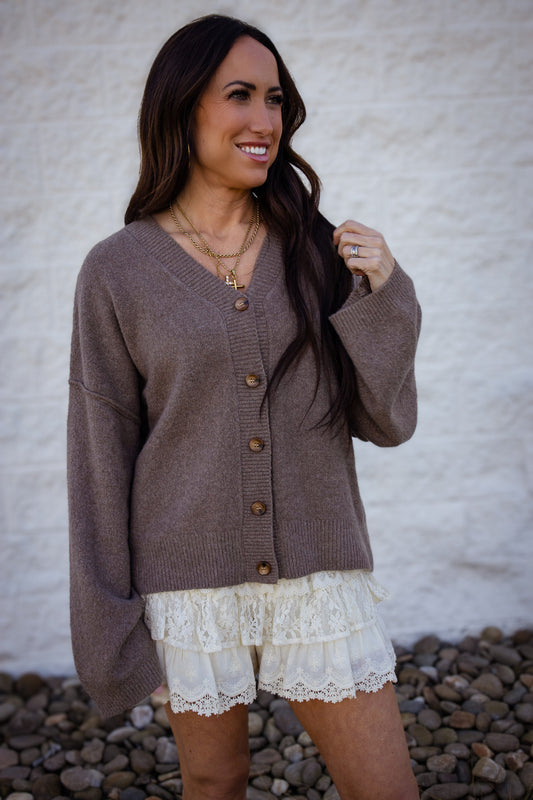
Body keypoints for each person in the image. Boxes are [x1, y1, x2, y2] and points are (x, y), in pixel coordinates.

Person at [67, 14, 421, 800]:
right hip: (184, 588)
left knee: (384, 788)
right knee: (215, 783)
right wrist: (113, 636)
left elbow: (387, 422)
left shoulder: (316, 252)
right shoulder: (117, 271)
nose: (265, 122)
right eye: (240, 96)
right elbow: (99, 457)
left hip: (318, 574)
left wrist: (383, 297)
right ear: (182, 106)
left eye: (275, 100)